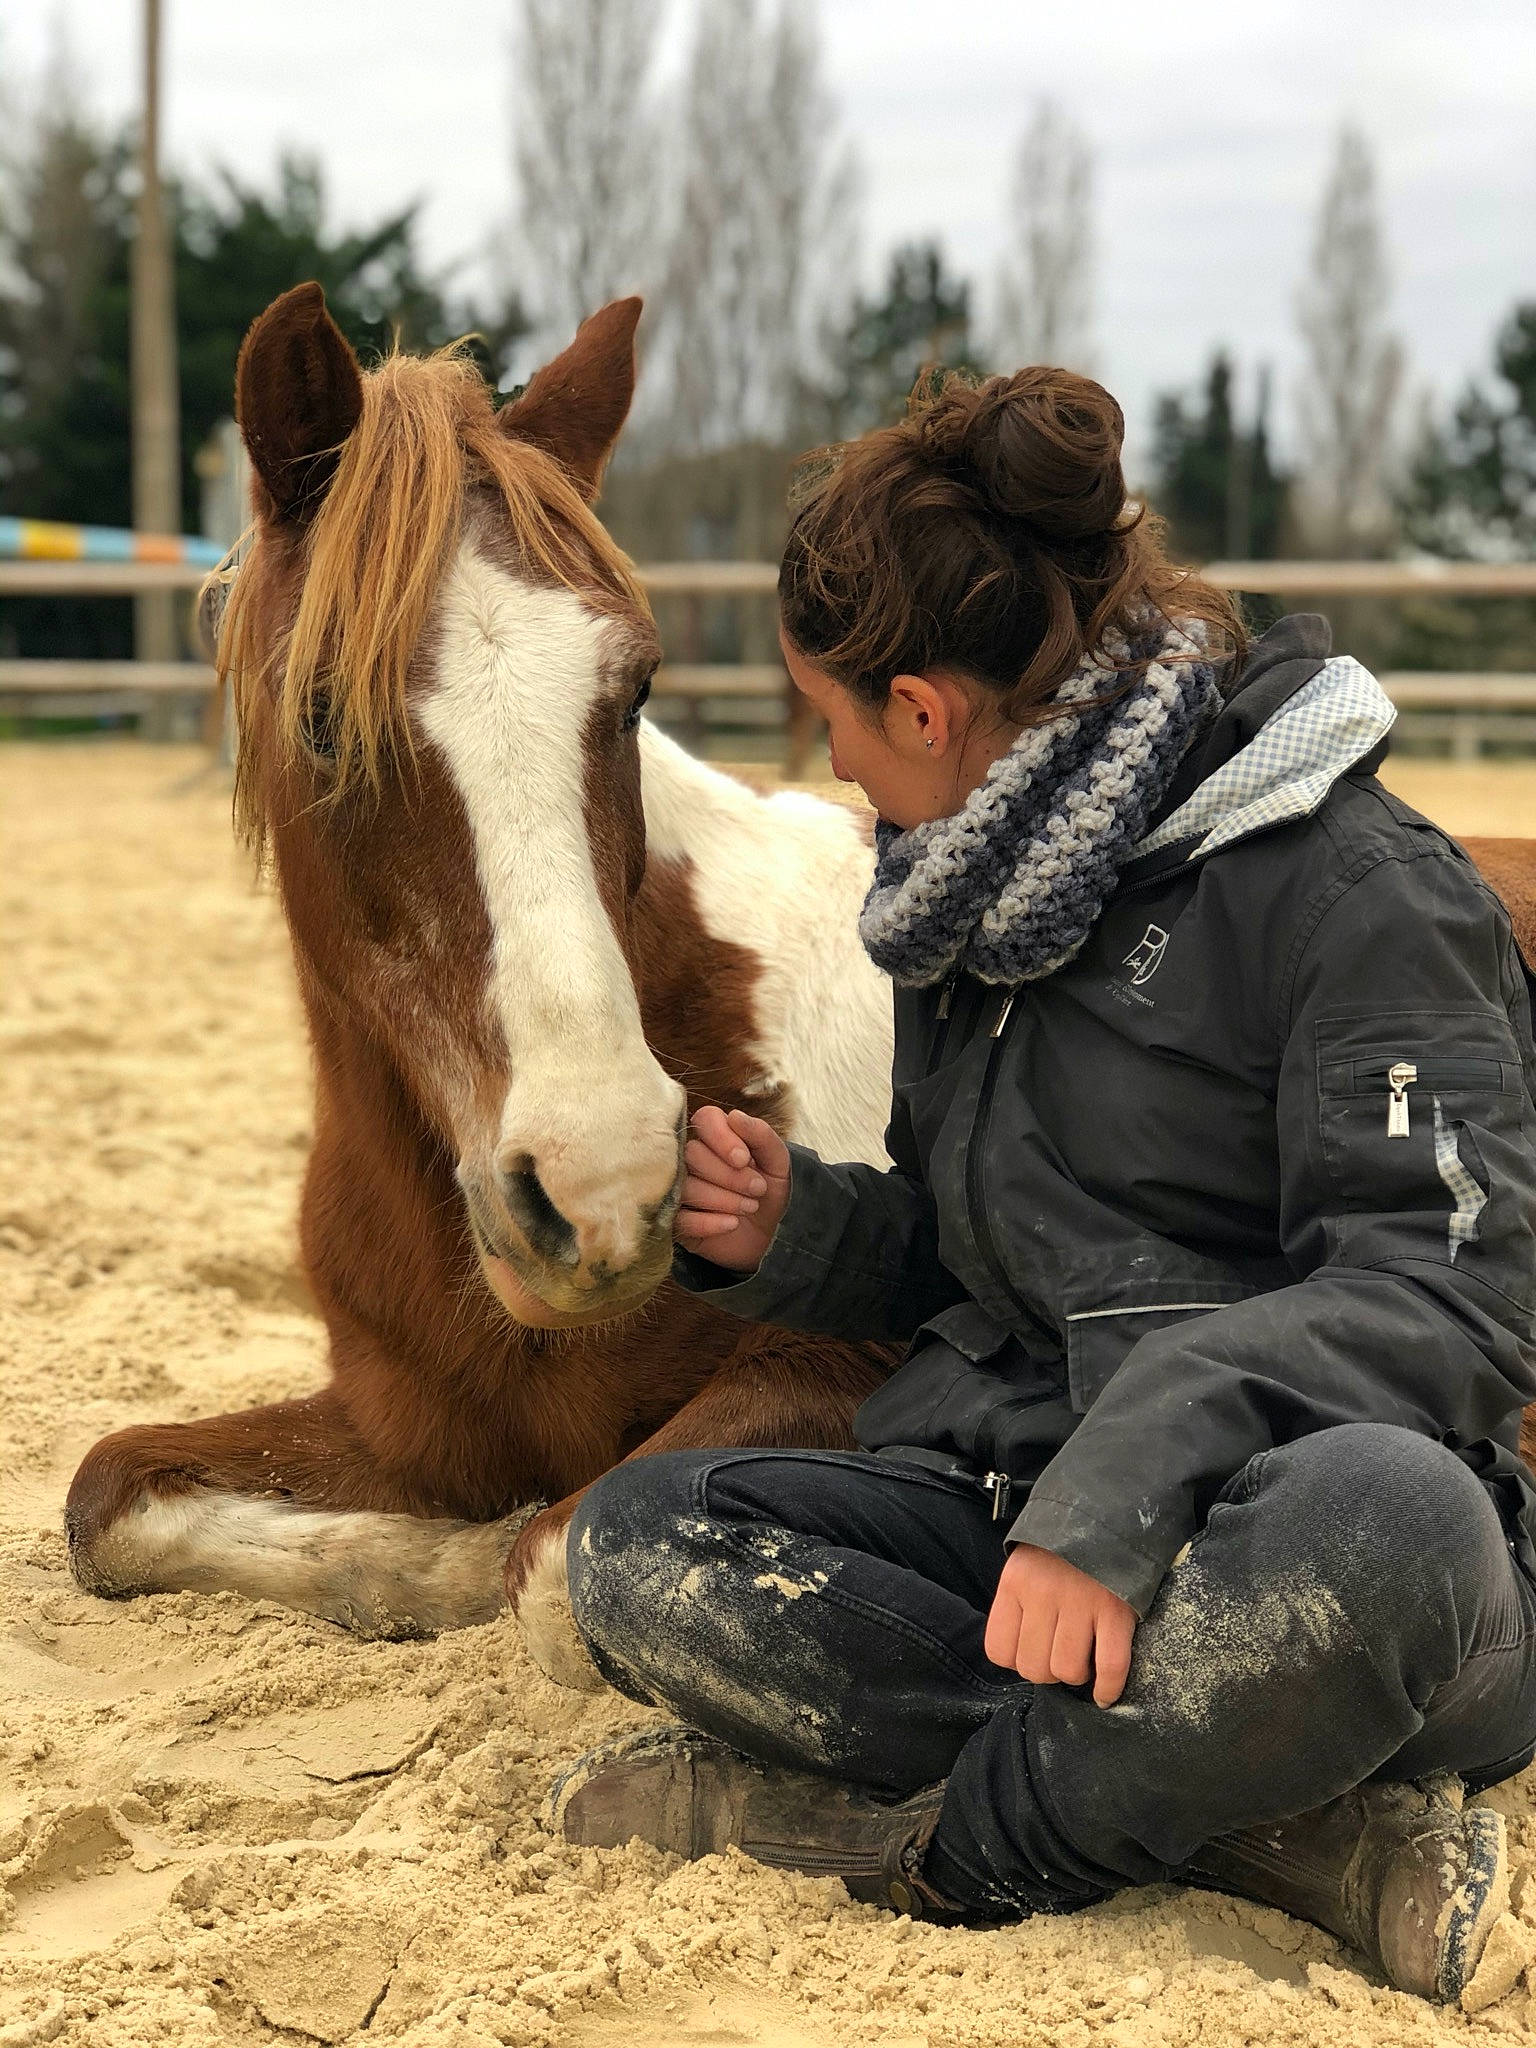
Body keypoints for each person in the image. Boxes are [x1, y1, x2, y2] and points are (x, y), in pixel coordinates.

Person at [548, 368, 1536, 2005]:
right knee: (645, 1545)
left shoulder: (1362, 894)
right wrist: (799, 1230)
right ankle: (1271, 1832)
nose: (847, 778)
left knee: (1398, 1529)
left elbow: (1450, 1298)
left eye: (845, 732)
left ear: (929, 711)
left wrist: (1128, 1487)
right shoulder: (971, 901)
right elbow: (979, 1257)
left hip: (1288, 1541)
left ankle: (924, 1854)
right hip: (1017, 1517)